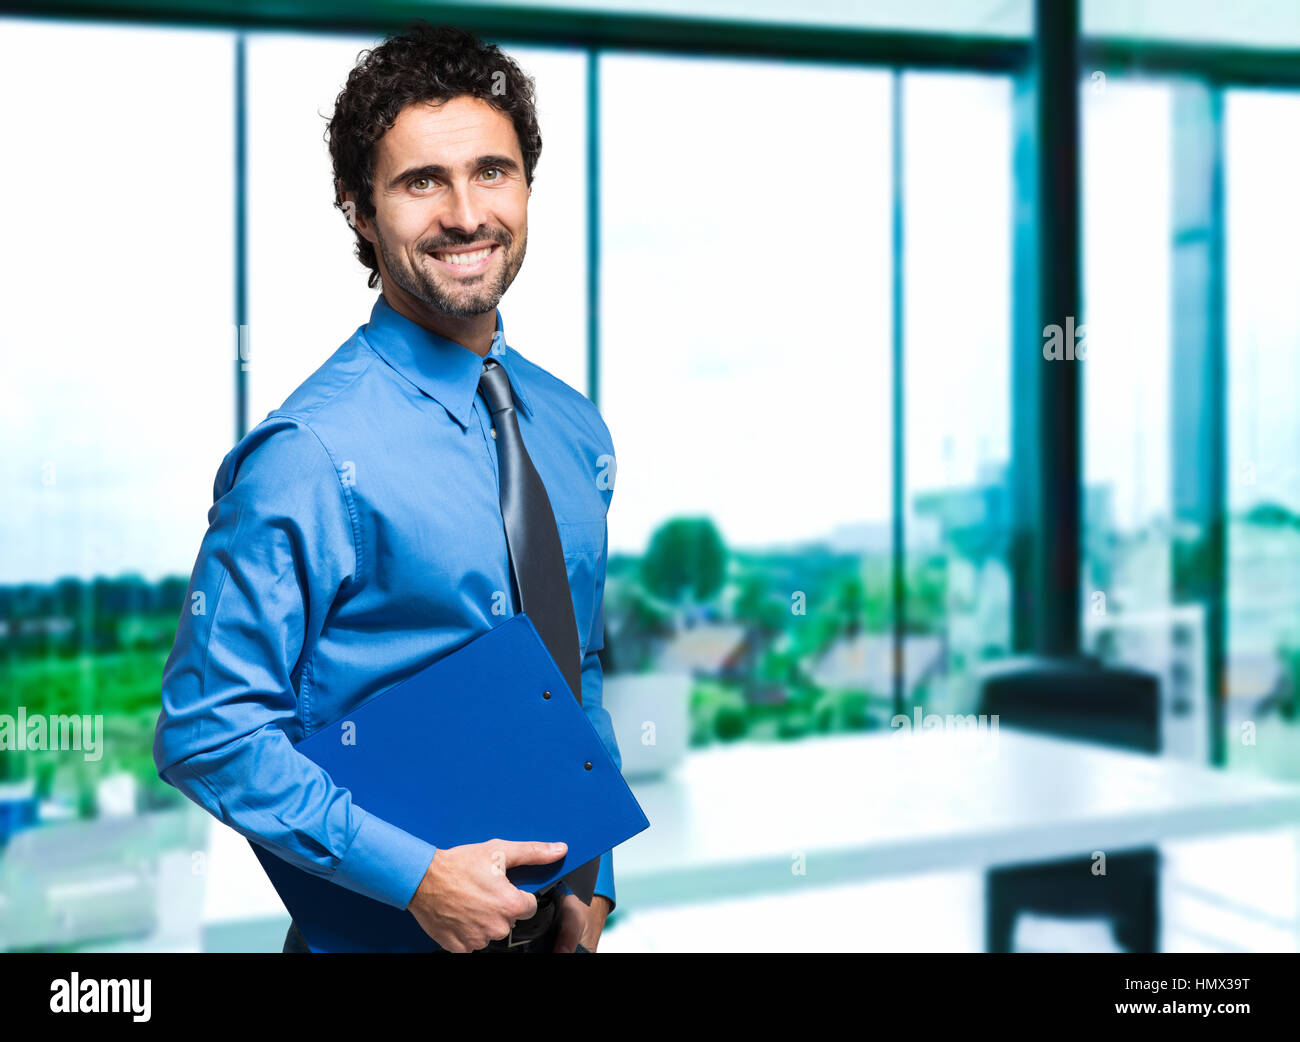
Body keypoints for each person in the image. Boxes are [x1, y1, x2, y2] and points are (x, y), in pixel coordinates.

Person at [153, 20, 620, 954]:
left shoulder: (573, 431)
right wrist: (414, 878)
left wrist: (598, 877)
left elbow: (578, 672)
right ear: (361, 213)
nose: (464, 213)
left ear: (527, 186)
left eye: (491, 171)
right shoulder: (310, 454)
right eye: (420, 182)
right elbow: (208, 730)